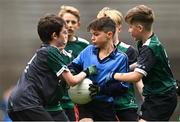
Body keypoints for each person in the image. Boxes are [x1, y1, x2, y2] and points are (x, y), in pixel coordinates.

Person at [7, 14, 97, 121]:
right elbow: (72, 81)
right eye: (64, 32)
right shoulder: (49, 51)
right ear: (54, 35)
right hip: (26, 102)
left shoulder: (60, 54)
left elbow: (71, 78)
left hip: (41, 103)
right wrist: (88, 71)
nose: (67, 34)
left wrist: (89, 86)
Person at [107, 5, 177, 121]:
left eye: (130, 27)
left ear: (139, 28)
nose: (128, 30)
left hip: (162, 97)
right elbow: (140, 64)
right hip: (154, 96)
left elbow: (136, 76)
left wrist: (113, 75)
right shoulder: (143, 42)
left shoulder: (149, 48)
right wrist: (125, 68)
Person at [68, 17, 129, 121]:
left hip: (105, 105)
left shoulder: (121, 58)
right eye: (92, 34)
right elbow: (72, 67)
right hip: (84, 103)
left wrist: (101, 89)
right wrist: (74, 74)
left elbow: (123, 87)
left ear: (109, 34)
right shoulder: (88, 50)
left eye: (96, 34)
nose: (92, 38)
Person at [96, 7, 144, 121]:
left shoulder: (128, 51)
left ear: (119, 28)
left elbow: (137, 79)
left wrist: (147, 103)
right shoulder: (93, 51)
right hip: (101, 105)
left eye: (112, 25)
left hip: (125, 105)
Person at [45, 5, 89, 121]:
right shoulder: (52, 45)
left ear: (78, 25)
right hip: (54, 97)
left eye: (73, 22)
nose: (69, 25)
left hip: (74, 97)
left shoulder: (84, 45)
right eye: (66, 21)